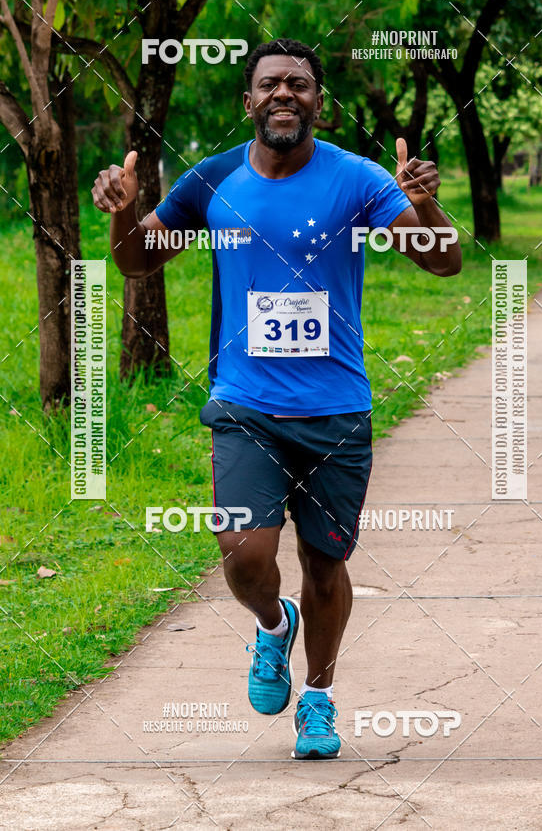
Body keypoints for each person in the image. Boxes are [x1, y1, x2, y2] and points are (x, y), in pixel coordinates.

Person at [92, 38, 461, 760]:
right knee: (242, 553)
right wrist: (124, 212)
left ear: (318, 100)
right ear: (249, 101)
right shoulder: (212, 179)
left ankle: (318, 700)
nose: (284, 94)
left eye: (298, 83)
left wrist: (429, 206)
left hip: (335, 412)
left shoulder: (358, 180)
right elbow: (139, 261)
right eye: (270, 85)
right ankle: (271, 625)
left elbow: (441, 262)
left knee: (326, 563)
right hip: (243, 407)